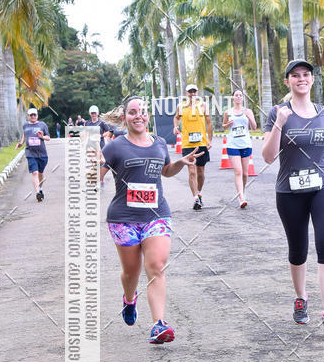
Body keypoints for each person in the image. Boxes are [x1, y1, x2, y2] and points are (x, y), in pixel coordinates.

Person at [262, 59, 324, 330]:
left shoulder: (323, 111)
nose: (301, 79)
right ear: (287, 81)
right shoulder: (278, 112)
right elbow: (268, 156)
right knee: (298, 249)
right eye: (295, 75)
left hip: (323, 185)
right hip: (290, 189)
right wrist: (280, 123)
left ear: (312, 80)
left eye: (306, 75)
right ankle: (301, 297)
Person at [100, 96, 202, 344]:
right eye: (133, 112)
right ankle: (129, 298)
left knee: (156, 266)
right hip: (123, 218)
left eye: (142, 112)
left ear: (148, 116)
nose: (138, 116)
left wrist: (180, 162)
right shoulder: (114, 147)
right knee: (131, 272)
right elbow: (94, 177)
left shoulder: (159, 142)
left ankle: (158, 324)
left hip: (157, 215)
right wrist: (92, 168)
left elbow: (166, 171)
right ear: (124, 117)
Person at [174, 84, 212, 210]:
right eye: (190, 92)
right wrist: (175, 126)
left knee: (200, 171)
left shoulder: (203, 106)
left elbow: (209, 122)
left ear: (197, 93)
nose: (192, 94)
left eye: (194, 91)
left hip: (201, 143)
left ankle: (199, 193)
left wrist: (210, 140)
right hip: (187, 144)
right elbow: (176, 117)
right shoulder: (181, 106)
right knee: (191, 170)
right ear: (186, 94)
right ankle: (195, 197)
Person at [223, 89, 257, 208]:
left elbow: (254, 127)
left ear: (243, 98)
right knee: (238, 171)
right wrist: (228, 124)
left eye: (240, 95)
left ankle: (242, 191)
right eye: (236, 95)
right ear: (233, 98)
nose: (238, 97)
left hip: (246, 144)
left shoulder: (248, 111)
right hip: (233, 145)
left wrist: (250, 117)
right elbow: (223, 126)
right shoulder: (228, 112)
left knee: (245, 174)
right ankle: (241, 197)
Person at [16, 107, 50, 201]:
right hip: (30, 153)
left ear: (37, 116)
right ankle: (37, 192)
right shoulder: (25, 125)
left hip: (42, 154)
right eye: (31, 115)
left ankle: (41, 188)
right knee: (34, 172)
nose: (33, 116)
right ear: (29, 116)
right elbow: (24, 134)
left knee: (40, 173)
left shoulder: (42, 125)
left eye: (34, 115)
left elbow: (48, 137)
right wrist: (21, 143)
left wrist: (42, 136)